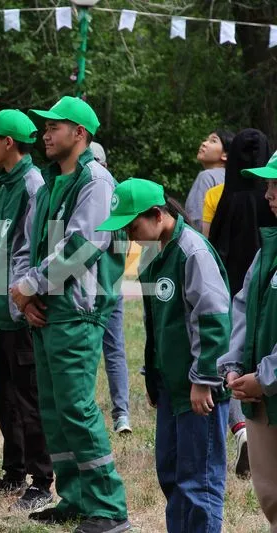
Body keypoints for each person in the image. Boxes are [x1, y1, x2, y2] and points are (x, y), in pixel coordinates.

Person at [11, 97, 130, 533]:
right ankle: (75, 498)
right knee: (55, 410)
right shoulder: (46, 184)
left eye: (54, 127)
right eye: (45, 127)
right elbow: (27, 246)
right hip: (45, 310)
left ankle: (110, 508)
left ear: (79, 133)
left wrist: (29, 287)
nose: (45, 133)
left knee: (77, 409)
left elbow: (82, 246)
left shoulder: (95, 181)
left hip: (77, 313)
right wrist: (24, 295)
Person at [98, 178, 231, 533]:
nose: (128, 234)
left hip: (198, 390)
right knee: (171, 475)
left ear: (157, 215)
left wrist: (204, 380)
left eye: (132, 225)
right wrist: (155, 377)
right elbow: (160, 325)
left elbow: (214, 319)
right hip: (173, 388)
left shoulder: (192, 252)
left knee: (198, 483)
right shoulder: (156, 252)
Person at [0, 110, 54, 508]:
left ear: (7, 142)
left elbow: (33, 250)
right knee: (5, 398)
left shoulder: (32, 184)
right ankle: (13, 472)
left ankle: (41, 481)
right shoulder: (2, 184)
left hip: (20, 313)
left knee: (28, 399)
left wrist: (22, 300)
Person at [208, 129, 273, 479]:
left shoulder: (227, 199)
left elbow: (216, 250)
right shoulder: (266, 201)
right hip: (266, 294)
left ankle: (241, 428)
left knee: (233, 363)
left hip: (235, 293)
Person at [218, 152, 277, 531]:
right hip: (262, 396)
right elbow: (242, 306)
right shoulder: (268, 249)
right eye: (269, 185)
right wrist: (235, 365)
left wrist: (267, 376)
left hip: (268, 385)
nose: (267, 195)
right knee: (270, 494)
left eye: (276, 186)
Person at [91, 141, 132, 433]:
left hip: (92, 285)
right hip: (110, 283)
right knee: (113, 348)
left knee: (91, 349)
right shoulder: (118, 194)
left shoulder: (84, 189)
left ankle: (103, 412)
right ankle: (122, 414)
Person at [184, 130, 234, 229]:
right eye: (206, 140)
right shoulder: (232, 178)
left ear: (225, 155)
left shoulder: (206, 176)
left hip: (204, 241)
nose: (204, 143)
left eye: (213, 141)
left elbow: (195, 220)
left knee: (149, 243)